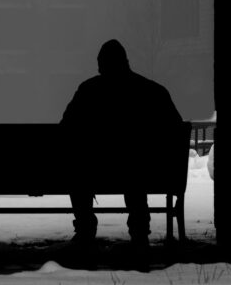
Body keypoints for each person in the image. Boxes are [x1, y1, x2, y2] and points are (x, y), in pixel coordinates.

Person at [60, 39, 182, 252]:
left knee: (78, 169)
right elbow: (176, 129)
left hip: (94, 171)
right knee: (135, 164)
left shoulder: (88, 91)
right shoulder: (153, 92)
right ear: (125, 61)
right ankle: (140, 229)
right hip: (145, 171)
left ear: (101, 64)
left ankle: (86, 228)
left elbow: (65, 129)